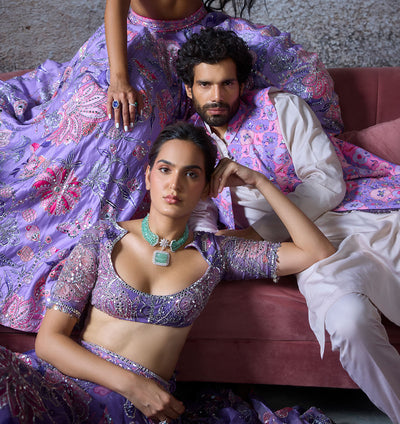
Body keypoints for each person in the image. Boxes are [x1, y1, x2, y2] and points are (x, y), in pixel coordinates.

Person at [0, 0, 340, 333]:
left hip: (194, 35)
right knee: (122, 121)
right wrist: (119, 78)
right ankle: (86, 249)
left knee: (301, 74)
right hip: (137, 38)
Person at [0, 121, 337, 424]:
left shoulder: (217, 254)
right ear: (148, 176)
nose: (174, 184)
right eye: (165, 169)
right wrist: (134, 386)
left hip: (139, 412)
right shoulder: (103, 238)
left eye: (191, 174)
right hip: (69, 386)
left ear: (207, 187)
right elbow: (49, 342)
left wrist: (260, 182)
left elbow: (315, 251)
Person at [175, 27, 400, 424]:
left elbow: (327, 183)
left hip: (367, 214)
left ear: (242, 83)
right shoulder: (190, 144)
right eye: (205, 84)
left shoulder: (281, 107)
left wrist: (256, 234)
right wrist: (209, 243)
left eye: (227, 83)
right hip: (308, 248)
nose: (217, 95)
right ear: (189, 88)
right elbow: (200, 218)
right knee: (347, 321)